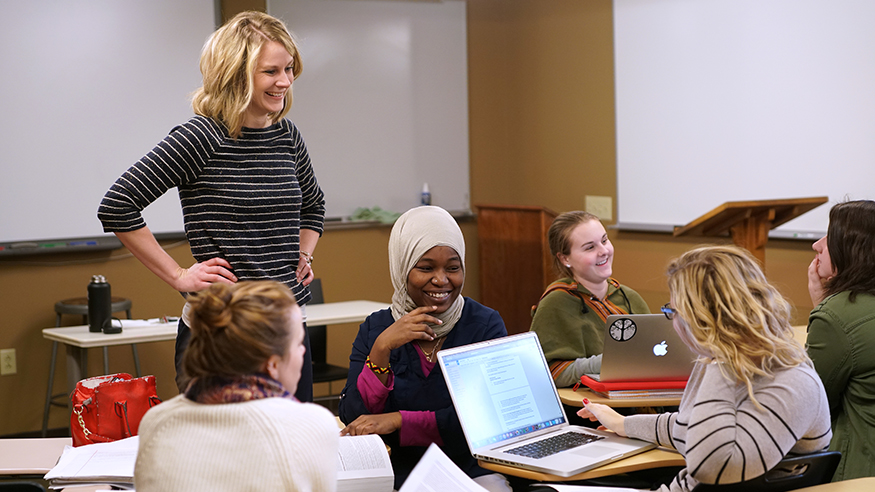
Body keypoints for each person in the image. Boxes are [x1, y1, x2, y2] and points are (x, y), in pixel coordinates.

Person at [97, 11, 325, 400]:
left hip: (286, 330)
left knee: (287, 452)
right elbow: (118, 204)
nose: (285, 81)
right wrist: (178, 275)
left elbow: (313, 205)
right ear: (236, 74)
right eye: (271, 71)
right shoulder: (200, 136)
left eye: (289, 69)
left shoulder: (287, 135)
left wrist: (304, 254)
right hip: (222, 334)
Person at [578, 245, 832, 492]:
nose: (673, 322)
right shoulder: (725, 361)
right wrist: (624, 424)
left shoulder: (791, 381)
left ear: (702, 319)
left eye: (672, 311)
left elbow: (709, 465)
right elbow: (695, 429)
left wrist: (719, 355)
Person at [338, 206, 511, 492]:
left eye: (453, 268)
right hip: (397, 472)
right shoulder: (376, 328)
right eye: (426, 268)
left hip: (469, 470)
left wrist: (396, 421)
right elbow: (354, 415)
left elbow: (483, 419)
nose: (441, 280)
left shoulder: (484, 324)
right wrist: (382, 347)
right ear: (402, 268)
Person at [134, 280, 338, 492]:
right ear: (273, 364)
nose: (303, 352)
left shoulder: (156, 421)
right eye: (298, 344)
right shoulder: (312, 425)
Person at [530, 211, 650, 387]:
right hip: (585, 410)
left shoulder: (630, 297)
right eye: (590, 247)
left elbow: (655, 355)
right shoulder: (555, 303)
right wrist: (607, 362)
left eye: (604, 240)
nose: (603, 251)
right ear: (565, 258)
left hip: (640, 403)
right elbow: (547, 374)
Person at [806, 199, 875, 481]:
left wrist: (824, 307)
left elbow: (811, 406)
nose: (817, 245)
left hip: (857, 472)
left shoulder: (837, 317)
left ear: (850, 250)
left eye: (829, 236)